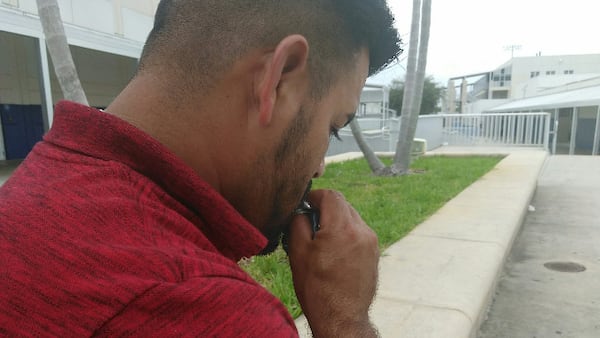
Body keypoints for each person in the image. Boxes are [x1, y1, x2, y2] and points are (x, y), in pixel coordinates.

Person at [0, 0, 401, 336]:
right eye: (332, 127)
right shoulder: (209, 311)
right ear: (277, 79)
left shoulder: (34, 185)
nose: (319, 167)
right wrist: (347, 323)